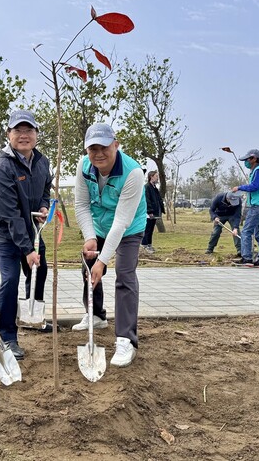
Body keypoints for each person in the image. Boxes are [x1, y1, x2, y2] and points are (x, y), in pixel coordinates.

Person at [74, 123, 147, 367]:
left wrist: (104, 261)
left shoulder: (133, 173)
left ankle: (126, 339)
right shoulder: (84, 167)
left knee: (124, 276)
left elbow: (121, 222)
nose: (99, 154)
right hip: (99, 224)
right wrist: (89, 236)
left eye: (104, 147)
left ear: (115, 145)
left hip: (129, 227)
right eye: (92, 148)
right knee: (88, 266)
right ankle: (96, 316)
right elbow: (82, 205)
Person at [0, 109, 53, 360]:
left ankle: (30, 318)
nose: (24, 135)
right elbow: (10, 215)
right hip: (5, 233)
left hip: (31, 229)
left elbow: (45, 187)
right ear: (8, 134)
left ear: (36, 134)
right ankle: (7, 336)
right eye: (18, 130)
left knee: (39, 271)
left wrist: (44, 206)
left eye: (29, 130)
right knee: (10, 279)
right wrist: (27, 250)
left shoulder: (42, 161)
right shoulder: (1, 168)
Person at [232, 149, 259, 267]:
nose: (246, 162)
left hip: (258, 206)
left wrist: (239, 187)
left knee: (246, 231)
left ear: (254, 159)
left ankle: (247, 258)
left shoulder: (258, 170)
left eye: (247, 160)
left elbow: (254, 186)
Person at [205, 191, 242, 255]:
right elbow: (211, 210)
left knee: (236, 232)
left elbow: (237, 215)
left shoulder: (238, 201)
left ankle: (240, 250)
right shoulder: (218, 197)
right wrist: (214, 217)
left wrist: (235, 227)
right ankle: (210, 248)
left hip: (232, 215)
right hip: (220, 216)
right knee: (216, 232)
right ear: (227, 199)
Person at [141, 170, 165, 253]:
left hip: (155, 212)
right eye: (156, 176)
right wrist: (149, 211)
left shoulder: (155, 188)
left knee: (151, 230)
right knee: (147, 229)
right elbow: (147, 200)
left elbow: (158, 199)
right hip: (149, 213)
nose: (157, 178)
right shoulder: (147, 187)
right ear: (151, 177)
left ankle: (149, 245)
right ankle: (144, 245)